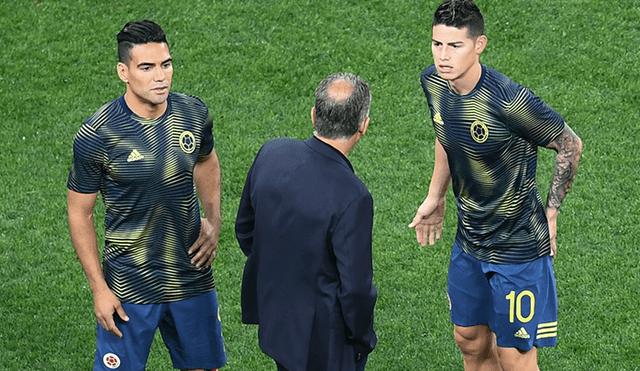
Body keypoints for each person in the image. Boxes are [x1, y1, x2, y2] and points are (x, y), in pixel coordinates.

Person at [408, 1, 582, 370]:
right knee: (469, 342)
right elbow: (445, 134)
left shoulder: (509, 100)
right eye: (437, 44)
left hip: (518, 248)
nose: (443, 56)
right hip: (470, 242)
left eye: (455, 46)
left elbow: (569, 143)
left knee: (514, 358)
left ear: (479, 44)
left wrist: (551, 212)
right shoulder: (434, 83)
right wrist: (435, 195)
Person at [67, 20, 226, 371]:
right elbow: (80, 213)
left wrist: (213, 219)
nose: (161, 77)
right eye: (147, 67)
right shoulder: (99, 134)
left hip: (190, 273)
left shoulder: (193, 113)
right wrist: (99, 288)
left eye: (166, 64)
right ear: (123, 72)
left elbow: (206, 160)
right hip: (128, 284)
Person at [235, 72, 377, 371]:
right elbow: (356, 291)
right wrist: (363, 339)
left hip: (277, 322)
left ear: (314, 114)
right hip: (325, 341)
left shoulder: (271, 153)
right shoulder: (354, 195)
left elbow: (246, 231)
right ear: (362, 126)